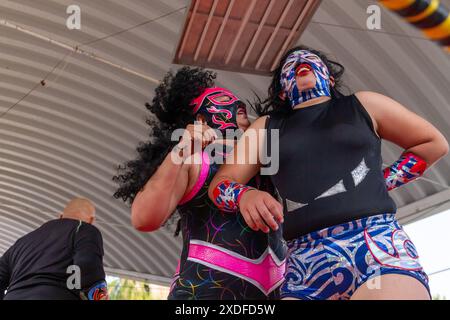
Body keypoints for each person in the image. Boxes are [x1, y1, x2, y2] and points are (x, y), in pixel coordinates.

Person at [209, 46, 449, 300]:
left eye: (311, 60)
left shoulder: (363, 105)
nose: (301, 61)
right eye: (291, 65)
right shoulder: (266, 128)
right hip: (305, 264)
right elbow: (221, 183)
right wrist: (245, 195)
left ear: (330, 78)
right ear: (282, 91)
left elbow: (432, 144)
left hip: (376, 246)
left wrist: (381, 181)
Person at [113, 67, 286, 300]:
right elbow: (144, 218)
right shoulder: (195, 159)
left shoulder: (266, 159)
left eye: (244, 114)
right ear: (201, 119)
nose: (244, 120)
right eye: (238, 113)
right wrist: (180, 150)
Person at [0, 198, 108, 300]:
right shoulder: (84, 230)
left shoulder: (22, 241)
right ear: (91, 220)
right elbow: (88, 266)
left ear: (60, 216)